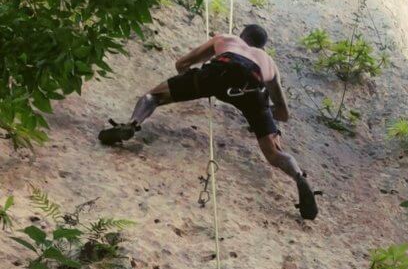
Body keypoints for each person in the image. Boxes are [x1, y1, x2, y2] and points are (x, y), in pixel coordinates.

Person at [98, 24, 318, 220]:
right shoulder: (269, 63)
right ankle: (299, 176)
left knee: (153, 96)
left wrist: (191, 86)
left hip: (219, 70)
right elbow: (283, 114)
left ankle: (132, 123)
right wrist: (262, 114)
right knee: (274, 154)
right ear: (262, 46)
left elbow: (182, 63)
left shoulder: (228, 39)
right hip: (252, 85)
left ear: (242, 35)